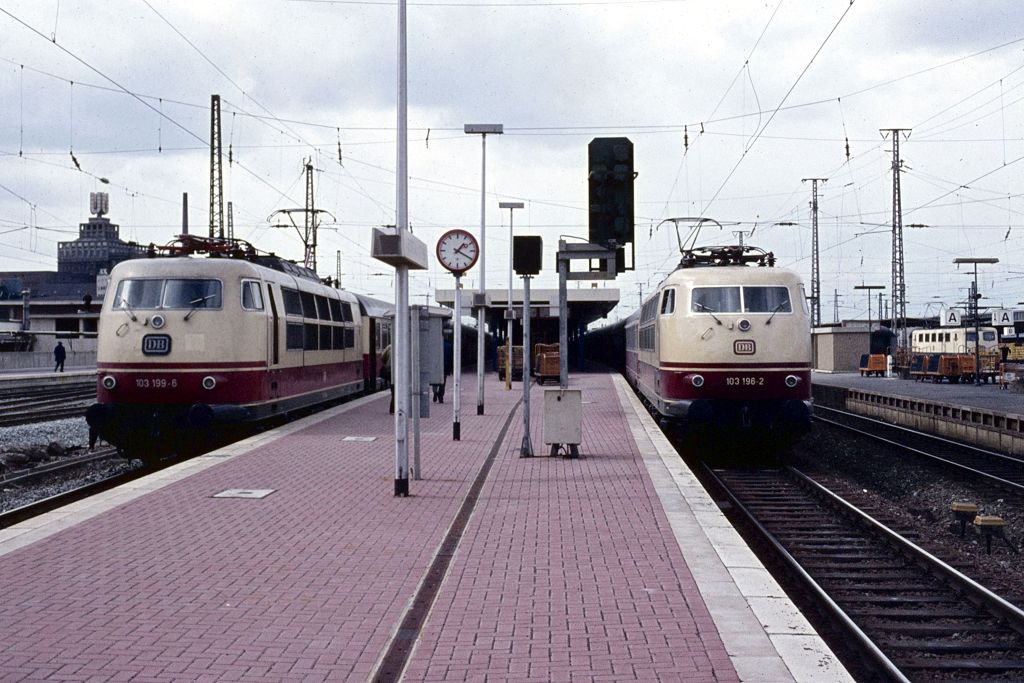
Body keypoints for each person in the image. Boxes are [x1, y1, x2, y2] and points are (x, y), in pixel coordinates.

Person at [380, 344, 393, 413]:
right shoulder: (407, 346)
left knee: (393, 390)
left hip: (390, 371)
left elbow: (383, 358)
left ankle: (392, 408)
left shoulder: (389, 347)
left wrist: (387, 364)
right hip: (401, 371)